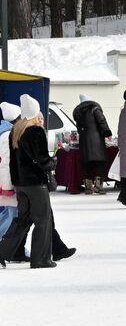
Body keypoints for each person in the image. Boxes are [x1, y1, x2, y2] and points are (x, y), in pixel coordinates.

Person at [0, 96, 75, 268]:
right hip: (35, 184)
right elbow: (42, 160)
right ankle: (41, 259)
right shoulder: (35, 131)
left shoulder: (16, 131)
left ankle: (2, 251)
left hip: (20, 184)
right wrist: (53, 161)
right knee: (43, 220)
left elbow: (12, 162)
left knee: (23, 219)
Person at [72, 94, 112, 196]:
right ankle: (98, 187)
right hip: (97, 140)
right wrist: (107, 133)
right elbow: (102, 121)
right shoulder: (95, 109)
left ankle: (88, 188)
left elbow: (79, 129)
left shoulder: (79, 113)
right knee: (100, 163)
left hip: (84, 141)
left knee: (87, 164)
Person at [0, 102, 18, 246]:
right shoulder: (7, 135)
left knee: (8, 213)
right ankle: (10, 246)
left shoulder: (4, 132)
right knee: (13, 215)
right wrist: (7, 187)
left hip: (5, 180)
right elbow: (6, 163)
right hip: (7, 181)